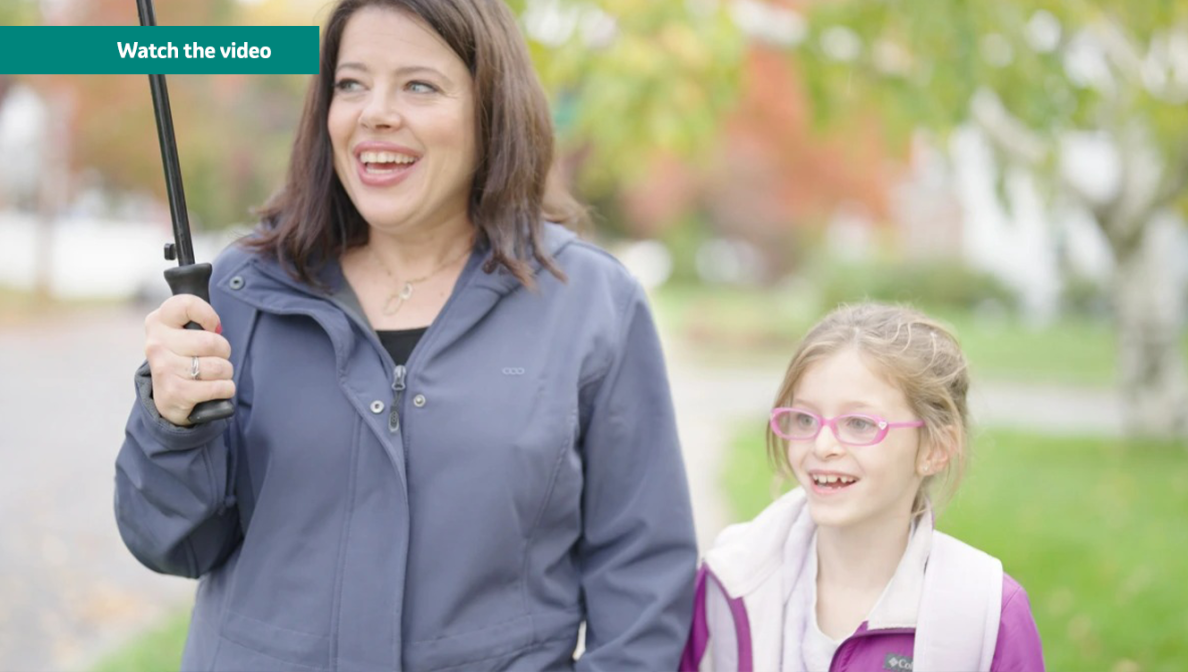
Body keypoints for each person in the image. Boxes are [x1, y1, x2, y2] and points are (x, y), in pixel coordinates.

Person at [114, 1, 697, 670]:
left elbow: (645, 586)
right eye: (351, 84)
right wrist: (171, 425)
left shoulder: (592, 306)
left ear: (490, 109)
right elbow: (169, 541)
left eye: (418, 85)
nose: (375, 113)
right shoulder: (241, 292)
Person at [680, 303, 1044, 672]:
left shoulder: (986, 614)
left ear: (936, 448)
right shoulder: (728, 581)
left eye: (859, 423)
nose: (822, 445)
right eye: (805, 418)